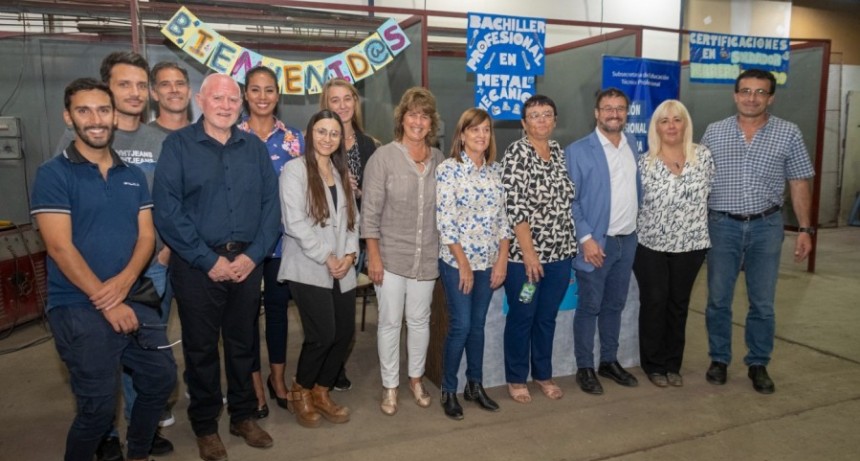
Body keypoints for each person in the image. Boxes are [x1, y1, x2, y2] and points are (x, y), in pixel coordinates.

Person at [31, 78, 176, 461]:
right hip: (77, 305)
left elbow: (146, 238)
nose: (95, 119)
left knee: (161, 378)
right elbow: (60, 247)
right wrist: (108, 302)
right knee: (96, 407)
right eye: (84, 110)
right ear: (68, 116)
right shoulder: (53, 174)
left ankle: (139, 453)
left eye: (102, 110)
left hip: (132, 295)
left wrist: (125, 284)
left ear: (114, 116)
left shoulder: (132, 175)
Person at [152, 73, 280, 461]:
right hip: (197, 265)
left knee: (243, 343)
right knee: (201, 348)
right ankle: (206, 425)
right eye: (217, 98)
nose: (225, 105)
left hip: (246, 263)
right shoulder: (177, 146)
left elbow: (271, 209)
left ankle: (242, 416)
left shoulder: (254, 149)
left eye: (231, 99)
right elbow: (168, 212)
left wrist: (251, 256)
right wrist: (208, 261)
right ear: (199, 101)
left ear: (240, 105)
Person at [701, 69, 815, 394]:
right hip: (722, 226)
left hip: (766, 226)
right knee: (718, 300)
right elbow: (701, 182)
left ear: (771, 97)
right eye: (746, 91)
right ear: (735, 95)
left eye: (760, 92)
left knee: (762, 302)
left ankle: (758, 363)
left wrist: (805, 228)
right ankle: (719, 359)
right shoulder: (714, 132)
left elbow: (798, 182)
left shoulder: (789, 133)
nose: (752, 98)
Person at [361, 87, 445, 416]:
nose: (418, 121)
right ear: (402, 118)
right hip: (390, 257)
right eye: (412, 114)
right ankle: (390, 386)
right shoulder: (383, 158)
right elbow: (369, 213)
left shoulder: (439, 159)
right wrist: (375, 257)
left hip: (426, 256)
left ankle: (415, 380)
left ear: (431, 122)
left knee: (421, 321)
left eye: (424, 115)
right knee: (390, 323)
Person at [278, 109, 359, 427]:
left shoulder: (341, 172)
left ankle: (322, 391)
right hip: (308, 265)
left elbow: (353, 219)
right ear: (310, 134)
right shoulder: (294, 170)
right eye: (322, 131)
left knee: (344, 334)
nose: (328, 138)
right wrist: (328, 256)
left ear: (341, 139)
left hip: (343, 265)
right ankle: (300, 392)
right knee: (322, 334)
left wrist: (350, 255)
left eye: (334, 133)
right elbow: (294, 222)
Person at [237, 65, 304, 418]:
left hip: (282, 242)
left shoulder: (294, 139)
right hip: (243, 245)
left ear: (278, 95)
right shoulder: (231, 135)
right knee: (245, 316)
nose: (262, 97)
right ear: (245, 94)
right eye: (255, 89)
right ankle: (255, 385)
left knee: (278, 312)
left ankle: (278, 380)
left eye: (269, 90)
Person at [500, 94, 577, 404]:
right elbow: (514, 208)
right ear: (524, 122)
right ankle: (516, 378)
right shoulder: (516, 154)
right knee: (523, 314)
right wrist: (530, 254)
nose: (542, 120)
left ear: (555, 120)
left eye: (547, 114)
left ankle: (543, 374)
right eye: (535, 115)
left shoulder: (559, 152)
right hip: (526, 262)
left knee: (546, 317)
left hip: (560, 258)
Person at [565, 87, 641, 396]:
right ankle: (585, 367)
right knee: (589, 307)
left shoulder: (632, 144)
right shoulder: (579, 150)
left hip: (627, 240)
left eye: (620, 108)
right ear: (596, 113)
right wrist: (586, 238)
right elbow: (570, 200)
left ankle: (608, 361)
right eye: (607, 108)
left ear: (626, 113)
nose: (614, 113)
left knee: (615, 305)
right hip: (597, 244)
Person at [632, 100, 714, 388]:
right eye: (664, 121)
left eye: (677, 120)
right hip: (651, 245)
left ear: (685, 124)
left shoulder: (702, 157)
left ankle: (672, 364)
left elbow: (710, 196)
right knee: (654, 303)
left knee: (679, 305)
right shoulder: (644, 162)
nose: (671, 126)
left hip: (691, 246)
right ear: (656, 126)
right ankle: (653, 364)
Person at [436, 108, 511, 419]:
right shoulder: (448, 170)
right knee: (461, 325)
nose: (482, 135)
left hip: (488, 262)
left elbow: (503, 222)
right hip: (457, 262)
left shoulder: (495, 172)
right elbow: (446, 221)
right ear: (462, 134)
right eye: (475, 130)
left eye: (486, 130)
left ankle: (475, 385)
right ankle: (448, 389)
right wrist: (463, 264)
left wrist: (502, 260)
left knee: (478, 327)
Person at [319, 77, 378, 391]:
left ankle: (336, 366)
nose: (341, 105)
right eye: (334, 100)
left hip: (356, 235)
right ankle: (324, 367)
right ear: (325, 105)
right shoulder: (321, 138)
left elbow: (376, 192)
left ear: (355, 103)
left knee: (344, 308)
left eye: (347, 99)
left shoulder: (368, 144)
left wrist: (362, 191)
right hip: (326, 236)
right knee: (325, 310)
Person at [149, 61, 193, 133]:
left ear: (189, 92)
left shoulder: (205, 138)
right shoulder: (141, 138)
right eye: (165, 84)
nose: (174, 90)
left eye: (180, 84)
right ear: (154, 94)